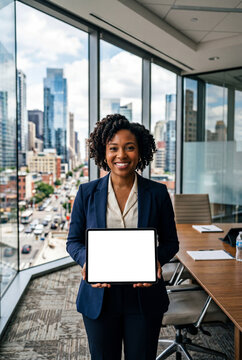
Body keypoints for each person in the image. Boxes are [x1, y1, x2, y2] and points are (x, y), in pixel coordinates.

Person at [67, 114, 179, 360]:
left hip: (144, 295)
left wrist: (154, 260)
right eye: (113, 148)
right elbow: (73, 242)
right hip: (100, 296)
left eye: (130, 148)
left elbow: (171, 243)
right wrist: (88, 261)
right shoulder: (86, 193)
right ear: (103, 153)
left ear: (140, 152)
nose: (121, 155)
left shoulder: (158, 193)